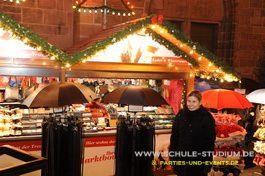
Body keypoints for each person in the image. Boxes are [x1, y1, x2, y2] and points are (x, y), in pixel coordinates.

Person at [169, 90, 216, 176]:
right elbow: (175, 136)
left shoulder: (206, 117)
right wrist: (172, 155)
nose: (191, 104)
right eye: (189, 101)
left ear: (200, 102)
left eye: (194, 101)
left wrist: (208, 161)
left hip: (199, 157)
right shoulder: (181, 115)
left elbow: (209, 141)